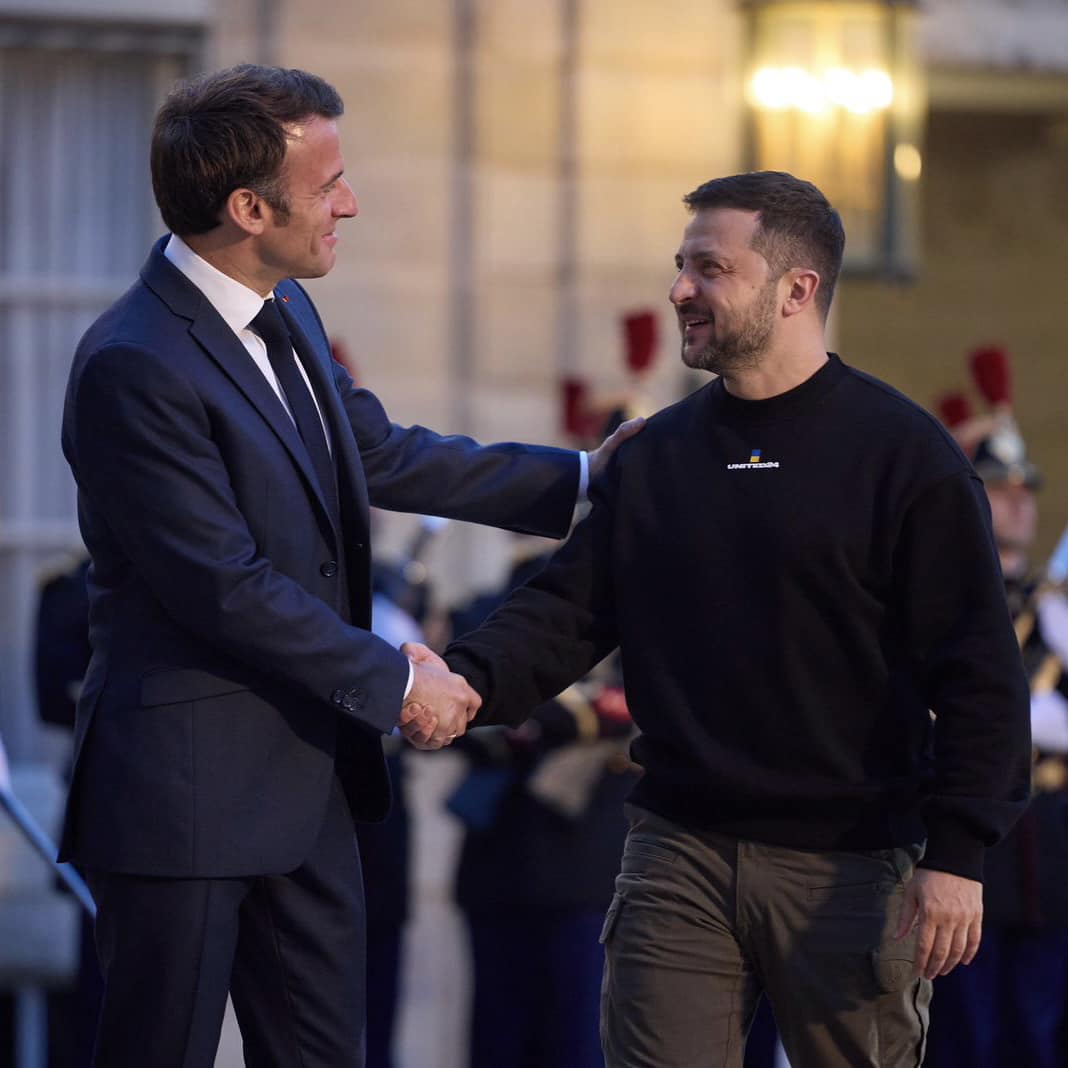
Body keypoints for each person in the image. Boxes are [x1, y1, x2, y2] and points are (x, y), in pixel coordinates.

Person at [60, 63, 636, 1068]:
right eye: (328, 185)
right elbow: (224, 585)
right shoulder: (132, 362)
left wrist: (585, 477)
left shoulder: (284, 309)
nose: (351, 203)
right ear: (249, 209)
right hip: (181, 800)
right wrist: (399, 682)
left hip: (309, 785)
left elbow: (381, 452)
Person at [415, 171, 1033, 1067]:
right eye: (681, 265)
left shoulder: (906, 457)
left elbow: (979, 670)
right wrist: (464, 680)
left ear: (796, 289)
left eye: (710, 268)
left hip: (854, 864)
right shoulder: (658, 454)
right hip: (678, 854)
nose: (679, 289)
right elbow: (566, 609)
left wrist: (959, 855)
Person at [925, 363, 1068, 1068]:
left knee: (1041, 1026)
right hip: (974, 838)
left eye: (1025, 493)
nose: (1020, 506)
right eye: (1001, 491)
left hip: (1053, 839)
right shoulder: (939, 596)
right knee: (967, 1030)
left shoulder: (1056, 604)